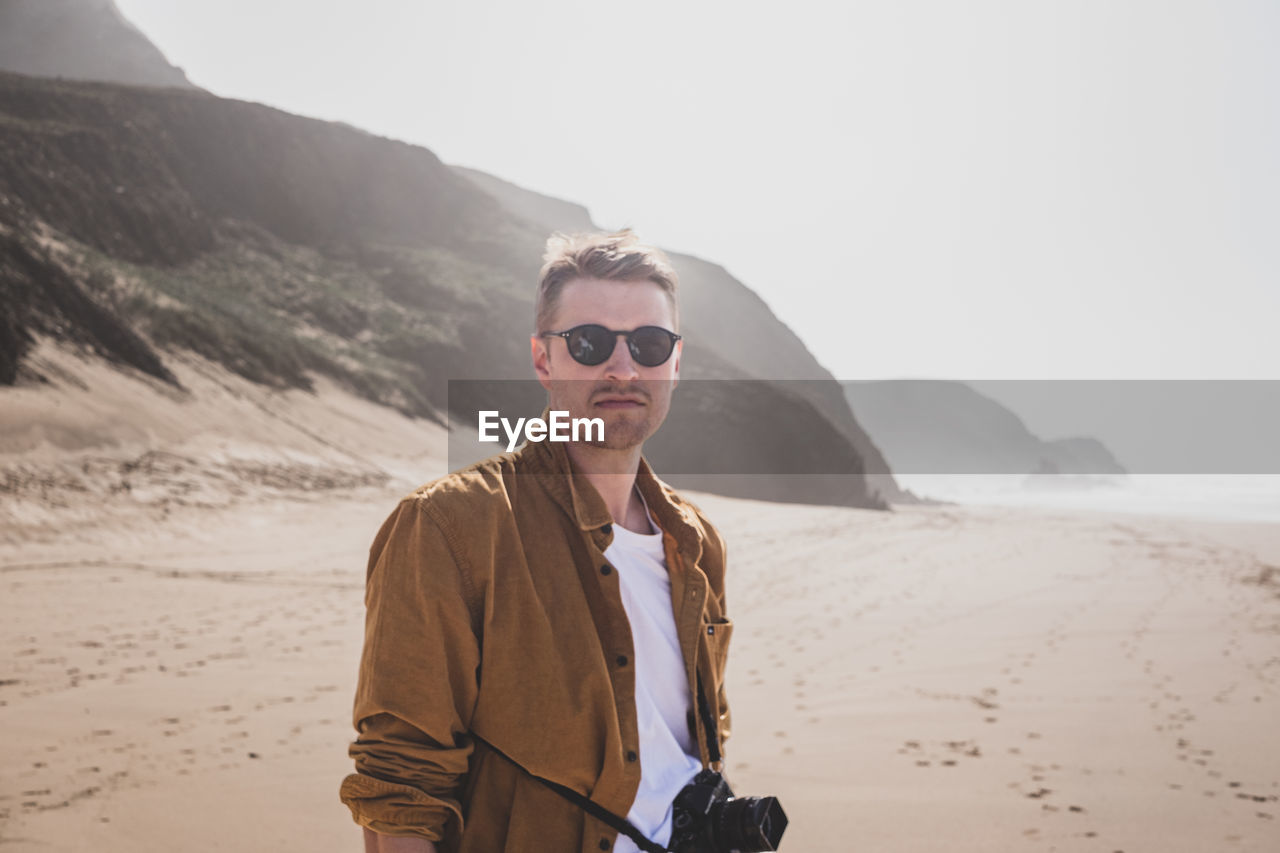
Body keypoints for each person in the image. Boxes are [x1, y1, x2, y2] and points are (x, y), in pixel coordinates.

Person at [339, 229, 734, 853]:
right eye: (590, 342)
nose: (624, 367)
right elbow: (401, 782)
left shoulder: (697, 544)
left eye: (650, 345)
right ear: (544, 359)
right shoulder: (451, 527)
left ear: (675, 364)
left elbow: (692, 749)